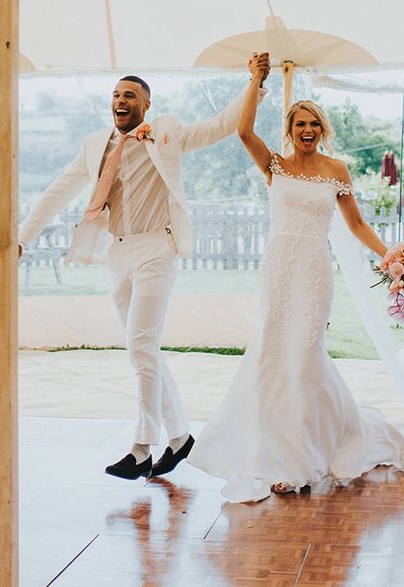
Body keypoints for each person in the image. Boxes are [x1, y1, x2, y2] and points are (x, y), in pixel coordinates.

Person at [18, 54, 270, 481]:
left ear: (145, 105)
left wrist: (254, 83)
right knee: (145, 350)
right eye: (115, 94)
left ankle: (140, 448)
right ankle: (180, 437)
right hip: (118, 252)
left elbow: (223, 123)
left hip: (158, 250)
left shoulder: (166, 133)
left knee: (139, 347)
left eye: (129, 95)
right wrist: (21, 238)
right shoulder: (94, 146)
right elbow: (56, 193)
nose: (120, 99)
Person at [187, 74, 404, 502]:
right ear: (289, 131)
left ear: (322, 130)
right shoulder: (275, 166)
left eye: (313, 124)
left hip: (313, 269)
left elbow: (357, 224)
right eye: (298, 125)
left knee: (305, 355)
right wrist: (256, 80)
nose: (306, 131)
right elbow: (242, 131)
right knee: (276, 354)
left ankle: (304, 456)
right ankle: (279, 452)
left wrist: (389, 257)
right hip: (278, 268)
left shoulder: (336, 170)